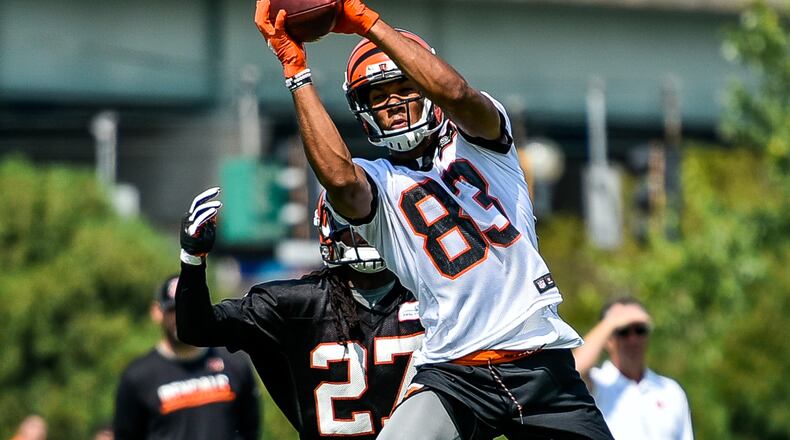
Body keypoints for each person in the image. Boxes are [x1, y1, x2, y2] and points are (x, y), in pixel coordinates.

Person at [253, 1, 614, 438]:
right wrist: (296, 71)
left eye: (402, 86)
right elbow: (340, 181)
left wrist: (370, 24)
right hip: (453, 371)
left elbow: (458, 94)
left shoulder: (481, 144)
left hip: (538, 359)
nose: (392, 103)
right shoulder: (381, 181)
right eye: (378, 96)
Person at [175, 188, 426, 439]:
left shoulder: (434, 296)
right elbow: (197, 329)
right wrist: (192, 260)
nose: (364, 232)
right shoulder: (295, 304)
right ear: (329, 226)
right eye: (352, 221)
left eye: (374, 221)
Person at [113, 274, 260, 440]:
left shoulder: (235, 364)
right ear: (156, 312)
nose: (181, 318)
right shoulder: (138, 376)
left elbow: (250, 431)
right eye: (173, 310)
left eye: (189, 309)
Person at [572, 298, 694, 440]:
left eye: (640, 330)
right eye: (623, 331)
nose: (633, 339)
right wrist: (612, 321)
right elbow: (575, 369)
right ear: (608, 339)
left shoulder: (671, 390)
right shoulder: (598, 383)